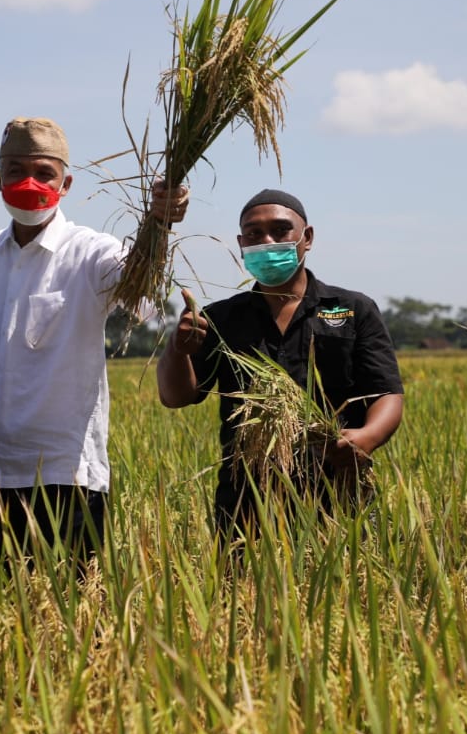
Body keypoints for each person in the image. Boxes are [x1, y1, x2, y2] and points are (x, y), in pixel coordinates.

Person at [0, 117, 187, 566]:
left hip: (63, 477)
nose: (29, 183)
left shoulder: (92, 253)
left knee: (68, 623)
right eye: (15, 171)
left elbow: (140, 285)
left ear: (65, 183)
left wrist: (158, 223)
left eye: (44, 173)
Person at [156, 188, 404, 539]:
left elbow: (387, 393)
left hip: (338, 490)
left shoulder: (352, 309)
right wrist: (178, 349)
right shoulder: (220, 319)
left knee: (349, 589)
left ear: (307, 238)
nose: (267, 241)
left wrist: (366, 438)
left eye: (280, 230)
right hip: (247, 498)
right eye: (254, 234)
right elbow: (176, 396)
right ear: (242, 244)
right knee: (245, 591)